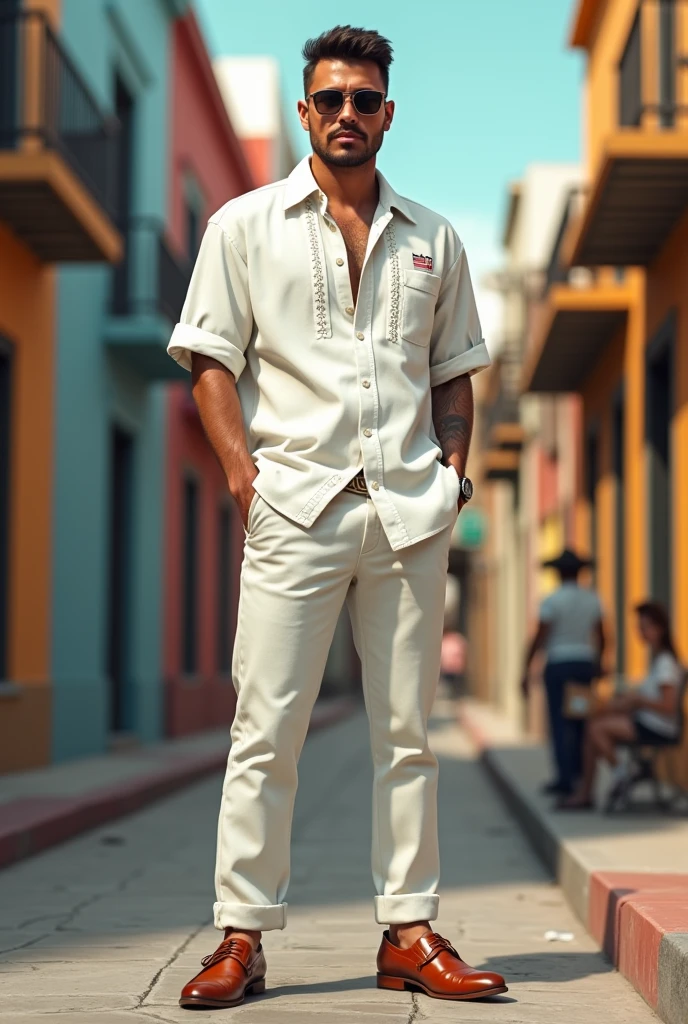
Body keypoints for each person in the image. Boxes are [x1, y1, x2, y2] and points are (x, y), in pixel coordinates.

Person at [167, 25, 507, 1010]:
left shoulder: (433, 238)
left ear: (386, 114)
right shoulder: (242, 226)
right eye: (331, 99)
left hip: (408, 513)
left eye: (365, 100)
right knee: (265, 731)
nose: (348, 114)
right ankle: (240, 936)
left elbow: (455, 372)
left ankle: (408, 929)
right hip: (295, 507)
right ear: (304, 111)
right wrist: (244, 481)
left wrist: (450, 475)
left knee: (407, 734)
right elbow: (209, 361)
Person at [559, 601, 683, 810]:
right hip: (646, 722)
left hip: (657, 728)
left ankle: (620, 773)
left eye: (645, 627)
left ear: (659, 628)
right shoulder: (658, 661)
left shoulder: (666, 664)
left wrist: (638, 700)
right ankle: (585, 793)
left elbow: (669, 706)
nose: (640, 633)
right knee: (593, 728)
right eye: (639, 627)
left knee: (595, 728)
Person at [521, 549, 605, 798]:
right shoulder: (592, 599)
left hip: (558, 666)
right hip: (583, 665)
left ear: (558, 573)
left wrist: (526, 669)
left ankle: (564, 778)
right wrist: (599, 662)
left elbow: (540, 637)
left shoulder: (552, 600)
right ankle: (579, 774)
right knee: (580, 719)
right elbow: (602, 635)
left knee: (559, 722)